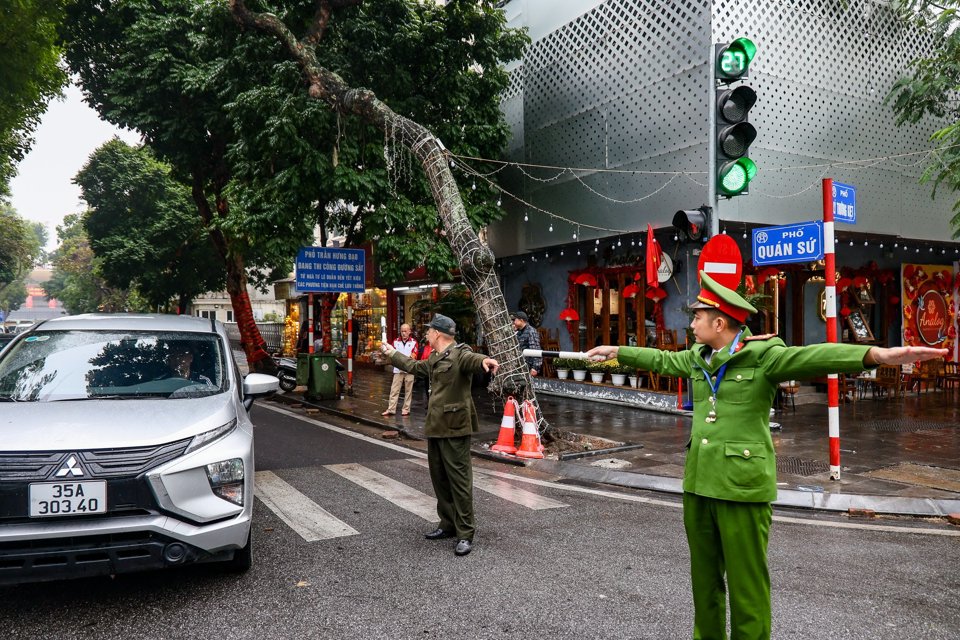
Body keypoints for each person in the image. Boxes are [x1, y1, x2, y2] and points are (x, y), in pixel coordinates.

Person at [585, 270, 947, 640]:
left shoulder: (763, 356)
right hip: (699, 484)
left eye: (697, 317)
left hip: (742, 488)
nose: (691, 323)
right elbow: (661, 362)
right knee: (704, 584)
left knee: (747, 588)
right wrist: (616, 352)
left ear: (720, 322)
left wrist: (876, 355)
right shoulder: (698, 357)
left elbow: (812, 357)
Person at [381, 313, 499, 557]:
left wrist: (484, 361)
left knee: (460, 481)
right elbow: (415, 367)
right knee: (440, 478)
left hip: (455, 427)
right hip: (436, 426)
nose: (425, 334)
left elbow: (472, 359)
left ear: (437, 334)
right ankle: (448, 524)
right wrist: (392, 353)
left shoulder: (459, 353)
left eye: (428, 331)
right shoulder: (434, 356)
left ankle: (465, 533)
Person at [382, 323, 418, 416]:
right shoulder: (395, 341)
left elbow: (414, 356)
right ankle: (391, 409)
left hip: (409, 369)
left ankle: (406, 409)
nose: (403, 333)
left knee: (408, 391)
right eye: (402, 331)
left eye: (405, 331)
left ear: (409, 331)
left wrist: (404, 363)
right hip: (398, 370)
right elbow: (391, 354)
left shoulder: (414, 342)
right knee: (394, 390)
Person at [511, 311, 541, 377]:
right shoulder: (518, 332)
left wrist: (535, 367)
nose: (513, 322)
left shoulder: (531, 331)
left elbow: (536, 350)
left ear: (521, 320)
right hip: (519, 365)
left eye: (515, 320)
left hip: (528, 366)